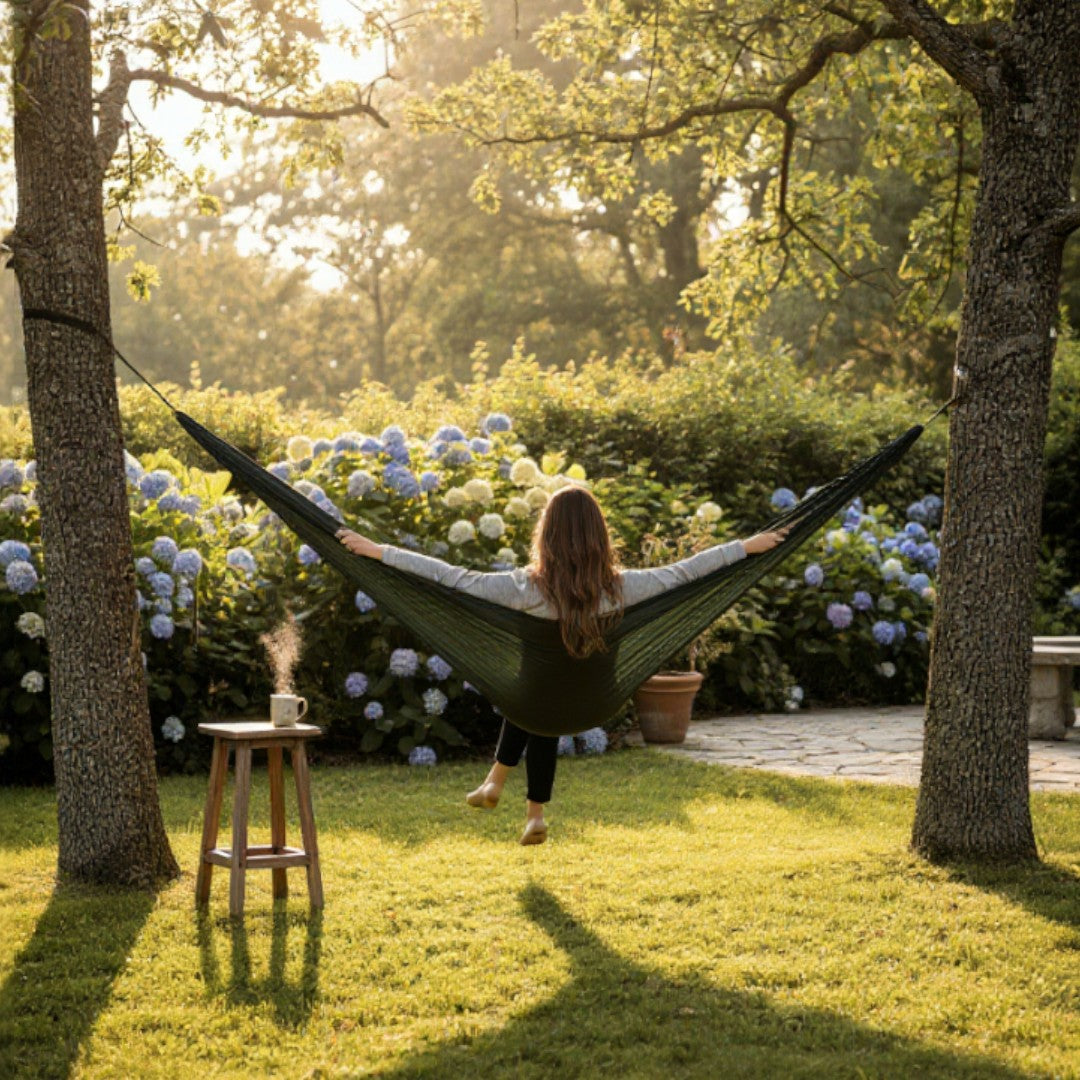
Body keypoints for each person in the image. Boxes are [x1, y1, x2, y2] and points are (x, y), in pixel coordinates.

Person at [336, 486, 791, 846]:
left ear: (546, 535)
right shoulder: (621, 588)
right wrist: (744, 548)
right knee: (542, 701)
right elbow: (687, 571)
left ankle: (506, 789)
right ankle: (524, 807)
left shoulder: (524, 588)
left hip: (536, 700)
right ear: (600, 537)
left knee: (533, 696)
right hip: (595, 700)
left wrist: (381, 552)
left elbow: (452, 577)